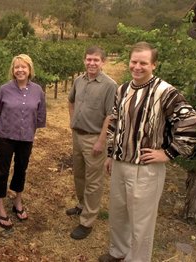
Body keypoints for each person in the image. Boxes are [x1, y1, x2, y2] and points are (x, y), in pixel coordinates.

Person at [98, 42, 196, 262]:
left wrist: (168, 153)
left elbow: (190, 120)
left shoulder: (165, 91)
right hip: (120, 164)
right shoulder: (123, 89)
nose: (137, 67)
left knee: (141, 223)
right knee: (118, 214)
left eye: (143, 63)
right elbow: (115, 123)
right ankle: (118, 252)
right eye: (134, 62)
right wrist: (109, 153)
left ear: (154, 64)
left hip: (145, 169)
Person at [67, 46, 117, 240]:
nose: (91, 63)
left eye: (96, 60)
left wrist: (101, 140)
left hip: (95, 138)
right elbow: (70, 101)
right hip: (77, 136)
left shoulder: (109, 85)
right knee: (79, 174)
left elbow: (110, 115)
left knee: (94, 181)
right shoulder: (79, 80)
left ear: (103, 62)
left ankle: (87, 221)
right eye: (88, 59)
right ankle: (81, 205)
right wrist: (72, 122)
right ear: (84, 60)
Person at [0, 54, 46, 229]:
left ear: (30, 70)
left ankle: (17, 202)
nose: (20, 70)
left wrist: (30, 132)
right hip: (5, 137)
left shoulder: (38, 90)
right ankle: (0, 206)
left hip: (26, 138)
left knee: (21, 170)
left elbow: (40, 116)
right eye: (17, 67)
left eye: (24, 67)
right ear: (13, 70)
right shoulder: (4, 89)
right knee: (2, 171)